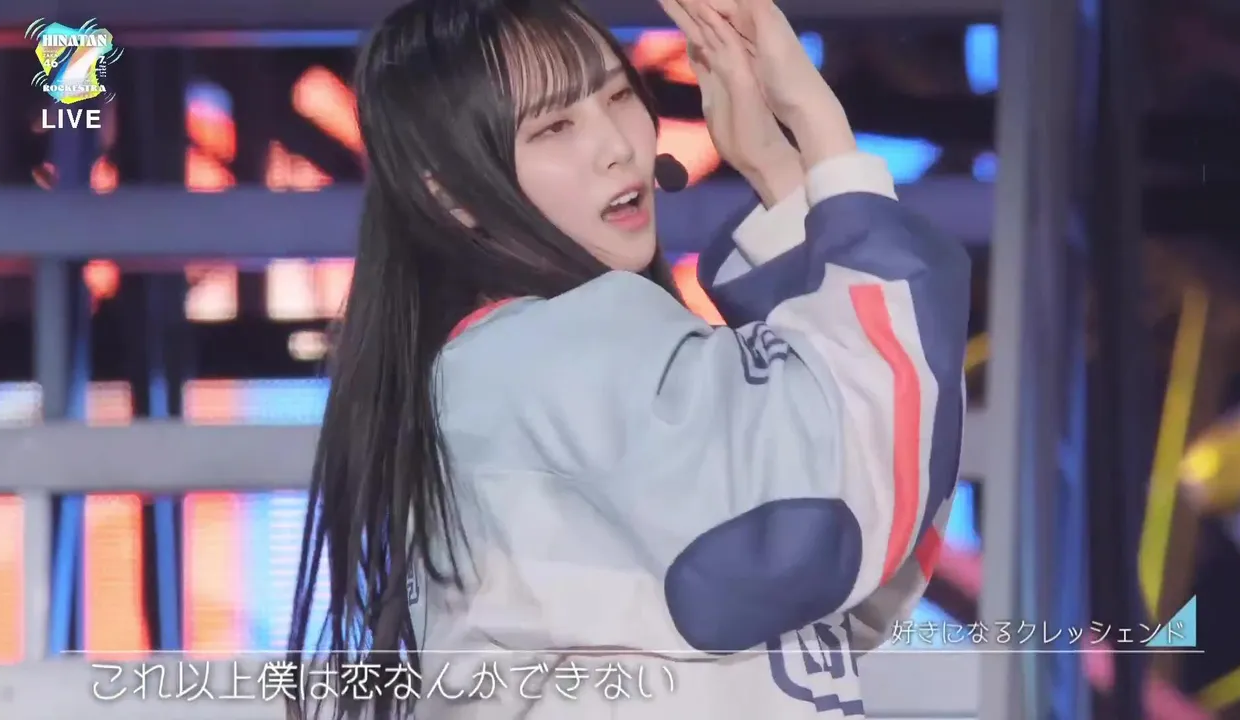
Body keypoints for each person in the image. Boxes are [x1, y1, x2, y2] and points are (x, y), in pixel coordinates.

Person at [287, 0, 971, 717]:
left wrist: (778, 167)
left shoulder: (526, 361)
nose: (617, 145)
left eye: (618, 96)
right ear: (451, 192)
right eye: (554, 127)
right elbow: (839, 508)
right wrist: (816, 125)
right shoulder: (543, 351)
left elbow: (851, 571)